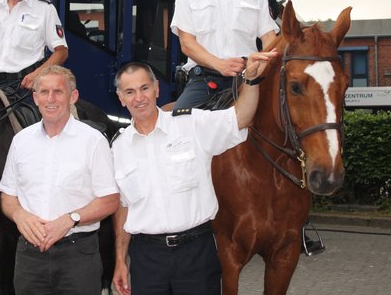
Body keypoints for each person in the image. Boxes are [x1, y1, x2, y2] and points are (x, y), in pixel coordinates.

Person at [111, 51, 277, 295]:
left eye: (144, 88)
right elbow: (123, 207)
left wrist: (250, 81)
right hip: (146, 259)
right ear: (121, 98)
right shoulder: (119, 147)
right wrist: (119, 261)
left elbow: (240, 118)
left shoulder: (191, 125)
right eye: (130, 92)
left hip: (196, 255)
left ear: (157, 89)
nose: (139, 98)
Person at [0, 65, 120, 294]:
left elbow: (110, 199)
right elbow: (7, 195)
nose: (50, 99)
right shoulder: (21, 141)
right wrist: (19, 215)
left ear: (73, 96)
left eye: (58, 92)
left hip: (78, 256)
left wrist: (70, 219)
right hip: (29, 256)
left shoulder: (93, 141)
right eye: (44, 92)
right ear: (35, 98)